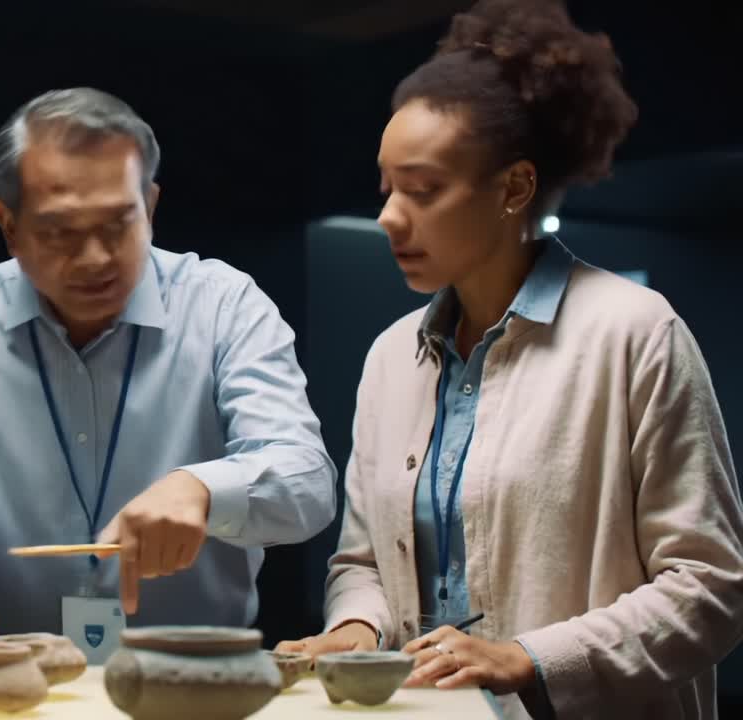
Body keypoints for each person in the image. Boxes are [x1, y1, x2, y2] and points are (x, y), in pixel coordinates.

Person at [278, 1, 743, 718]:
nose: (390, 216)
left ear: (515, 187)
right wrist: (355, 629)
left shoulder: (636, 332)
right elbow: (364, 562)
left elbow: (709, 587)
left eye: (423, 190)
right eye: (387, 187)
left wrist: (526, 658)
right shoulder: (393, 356)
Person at [0, 87, 337, 649]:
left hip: (198, 676)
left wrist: (203, 488)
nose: (95, 257)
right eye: (61, 231)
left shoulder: (224, 305)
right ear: (9, 226)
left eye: (119, 223)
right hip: (21, 677)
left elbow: (308, 481)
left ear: (150, 206)